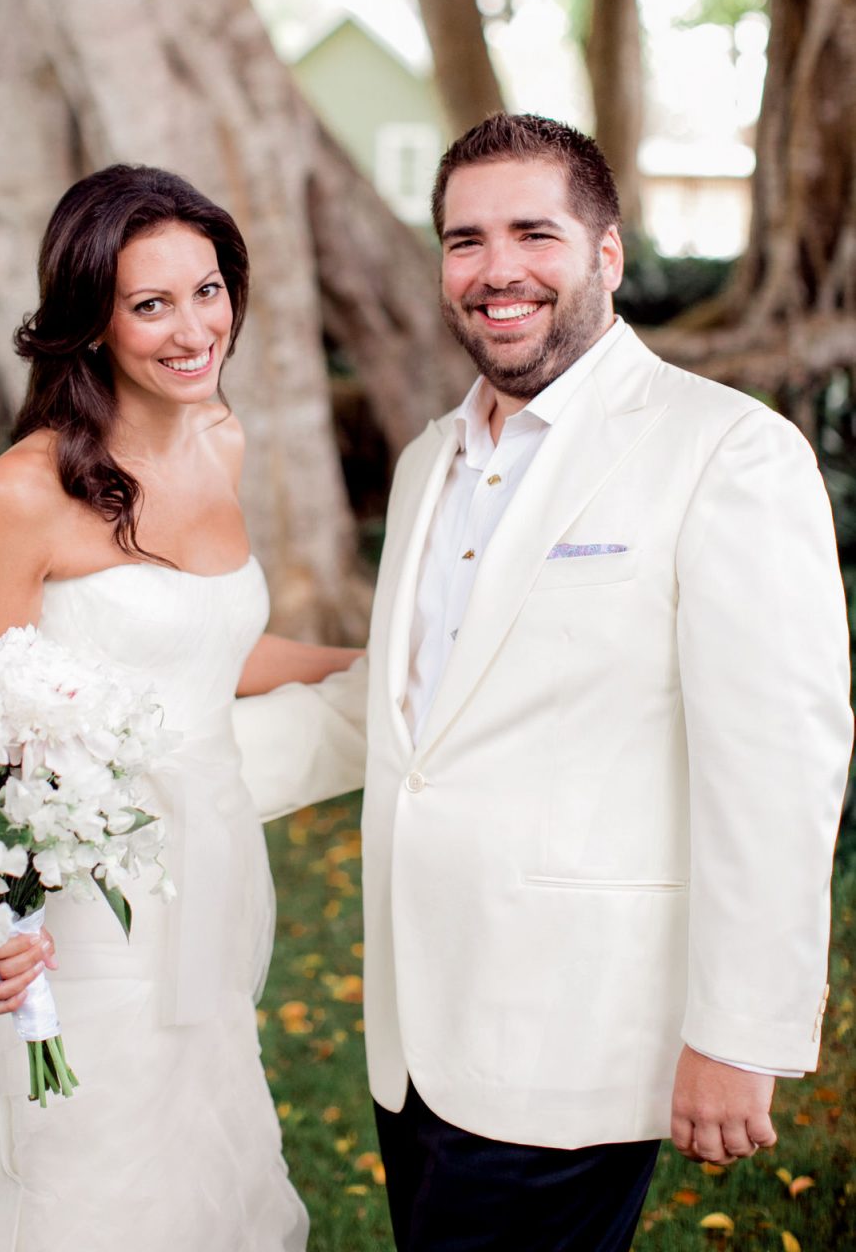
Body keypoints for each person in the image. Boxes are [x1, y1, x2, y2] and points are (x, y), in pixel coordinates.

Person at [233, 113, 853, 1252]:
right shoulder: (430, 460)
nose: (497, 269)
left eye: (535, 233)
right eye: (465, 240)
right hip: (418, 1037)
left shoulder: (724, 452)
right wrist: (142, 775)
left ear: (605, 254)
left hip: (577, 1025)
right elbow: (405, 707)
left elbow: (775, 761)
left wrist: (740, 1028)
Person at [0, 164, 357, 1252]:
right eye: (150, 303)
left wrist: (363, 659)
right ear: (91, 319)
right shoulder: (27, 490)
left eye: (206, 289)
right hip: (88, 894)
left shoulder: (221, 439)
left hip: (210, 866)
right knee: (97, 1166)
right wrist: (1, 924)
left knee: (203, 1147)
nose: (191, 328)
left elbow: (208, 647)